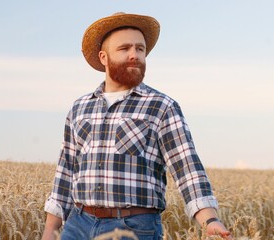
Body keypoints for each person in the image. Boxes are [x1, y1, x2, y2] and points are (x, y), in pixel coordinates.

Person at [42, 12, 232, 240]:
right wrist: (50, 230)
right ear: (104, 57)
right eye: (125, 49)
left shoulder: (161, 106)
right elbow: (65, 171)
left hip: (133, 227)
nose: (135, 55)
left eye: (140, 49)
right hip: (77, 223)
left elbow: (187, 167)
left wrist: (209, 219)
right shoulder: (80, 108)